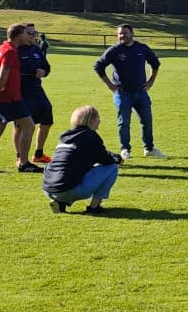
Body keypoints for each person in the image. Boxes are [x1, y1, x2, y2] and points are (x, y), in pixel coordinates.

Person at [92, 23, 164, 160]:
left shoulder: (142, 48)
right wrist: (109, 84)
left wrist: (151, 81)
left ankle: (149, 148)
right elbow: (98, 66)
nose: (122, 36)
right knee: (123, 122)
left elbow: (155, 64)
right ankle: (125, 149)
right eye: (119, 33)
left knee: (147, 121)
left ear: (132, 34)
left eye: (124, 33)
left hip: (141, 92)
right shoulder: (114, 50)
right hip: (122, 93)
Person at [43, 105, 122, 214]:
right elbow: (105, 159)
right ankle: (94, 207)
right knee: (112, 167)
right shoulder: (90, 136)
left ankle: (59, 202)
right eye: (98, 118)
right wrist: (116, 158)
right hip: (69, 189)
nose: (100, 121)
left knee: (59, 167)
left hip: (48, 189)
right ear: (92, 120)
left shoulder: (64, 135)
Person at [0, 22, 35, 173]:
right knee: (29, 126)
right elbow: (1, 76)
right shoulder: (11, 51)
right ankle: (24, 163)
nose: (28, 35)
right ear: (18, 35)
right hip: (10, 98)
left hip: (0, 98)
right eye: (25, 33)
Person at [20, 23, 56, 165]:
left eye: (34, 32)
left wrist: (44, 72)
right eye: (30, 33)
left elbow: (46, 67)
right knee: (21, 125)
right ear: (22, 35)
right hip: (23, 91)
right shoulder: (16, 50)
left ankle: (38, 154)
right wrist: (31, 73)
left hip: (37, 90)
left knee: (47, 119)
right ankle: (20, 156)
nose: (33, 35)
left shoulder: (36, 49)